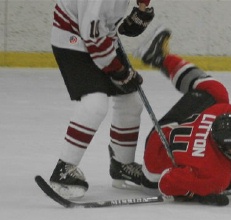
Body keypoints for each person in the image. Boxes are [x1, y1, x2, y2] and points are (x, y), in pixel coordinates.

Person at [133, 26, 231, 206]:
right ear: (229, 148)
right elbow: (166, 183)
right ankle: (158, 57)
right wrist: (195, 189)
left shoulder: (221, 113)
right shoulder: (216, 176)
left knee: (216, 92)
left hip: (167, 135)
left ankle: (160, 58)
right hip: (155, 170)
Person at [48, 0, 154, 199]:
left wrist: (142, 7)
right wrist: (119, 71)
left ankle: (122, 165)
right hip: (72, 39)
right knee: (95, 104)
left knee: (131, 100)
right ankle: (63, 170)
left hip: (100, 34)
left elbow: (98, 33)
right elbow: (92, 39)